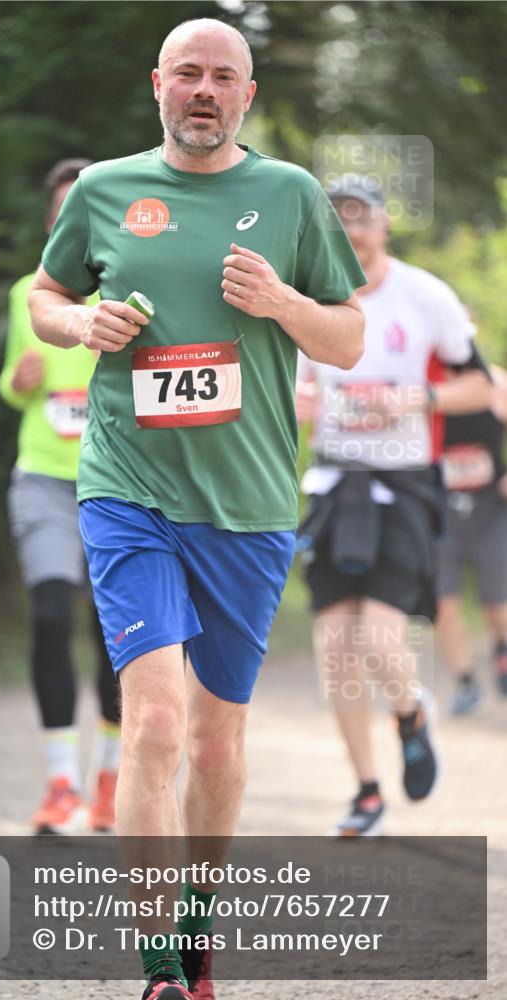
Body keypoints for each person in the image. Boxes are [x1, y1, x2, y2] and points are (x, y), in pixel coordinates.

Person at [28, 19, 365, 1000]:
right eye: (188, 74)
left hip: (249, 505)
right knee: (154, 724)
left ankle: (197, 927)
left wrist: (282, 305)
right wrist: (77, 321)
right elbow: (45, 296)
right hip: (128, 491)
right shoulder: (104, 190)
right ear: (158, 85)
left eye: (223, 76)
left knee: (216, 742)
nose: (204, 90)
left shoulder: (290, 195)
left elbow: (346, 340)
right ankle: (158, 971)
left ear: (246, 95)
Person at [296, 175, 492, 837]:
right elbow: (288, 389)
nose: (351, 231)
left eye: (362, 218)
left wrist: (417, 399)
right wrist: (300, 405)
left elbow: (478, 385)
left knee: (380, 637)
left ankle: (410, 712)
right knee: (334, 649)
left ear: (383, 226)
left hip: (404, 484)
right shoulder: (305, 298)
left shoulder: (424, 294)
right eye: (338, 219)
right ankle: (366, 793)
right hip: (332, 484)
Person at [0, 158, 121, 836]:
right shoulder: (29, 293)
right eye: (61, 211)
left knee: (113, 634)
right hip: (44, 477)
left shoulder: (132, 293)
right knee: (49, 616)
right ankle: (59, 784)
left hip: (117, 481)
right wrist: (17, 381)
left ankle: (110, 780)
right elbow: (15, 388)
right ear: (52, 223)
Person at [436, 362, 507, 714]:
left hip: (490, 510)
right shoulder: (420, 382)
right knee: (442, 603)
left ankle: (502, 649)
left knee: (497, 602)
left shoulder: (493, 383)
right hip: (440, 512)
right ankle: (464, 680)